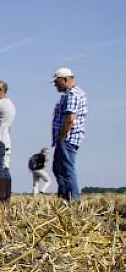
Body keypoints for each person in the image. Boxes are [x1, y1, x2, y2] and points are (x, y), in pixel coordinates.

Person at [51, 68, 88, 201]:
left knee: (66, 169)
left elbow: (70, 119)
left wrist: (61, 136)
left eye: (56, 82)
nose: (55, 85)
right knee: (58, 168)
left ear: (65, 80)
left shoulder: (72, 94)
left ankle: (72, 200)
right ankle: (64, 198)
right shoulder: (73, 93)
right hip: (66, 138)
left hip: (67, 138)